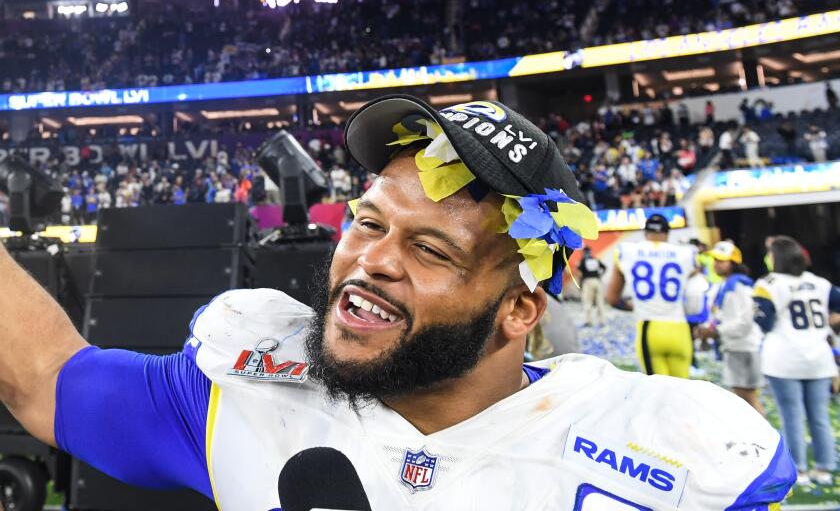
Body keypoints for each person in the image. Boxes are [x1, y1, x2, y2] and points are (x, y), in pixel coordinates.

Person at [0, 96, 794, 510]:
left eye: (430, 248)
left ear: (521, 309)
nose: (370, 261)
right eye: (369, 222)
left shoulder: (663, 455)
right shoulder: (237, 392)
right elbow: (44, 376)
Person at [754, 236, 838, 487]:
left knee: (791, 416)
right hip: (819, 359)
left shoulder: (768, 283)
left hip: (784, 359)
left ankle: (798, 470)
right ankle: (824, 468)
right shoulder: (820, 283)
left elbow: (764, 322)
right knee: (819, 416)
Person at [605, 215, 701, 379]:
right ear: (667, 233)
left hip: (650, 328)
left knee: (659, 396)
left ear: (645, 233)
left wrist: (635, 306)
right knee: (683, 394)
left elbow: (612, 298)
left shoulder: (627, 251)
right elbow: (695, 286)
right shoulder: (686, 253)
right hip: (680, 330)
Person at [697, 242, 764, 415]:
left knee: (747, 398)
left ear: (733, 262)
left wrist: (716, 331)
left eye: (721, 260)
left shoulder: (739, 286)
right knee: (744, 397)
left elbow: (745, 321)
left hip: (743, 346)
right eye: (715, 259)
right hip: (735, 345)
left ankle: (764, 437)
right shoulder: (726, 285)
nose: (716, 263)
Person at [576, 246, 607, 327]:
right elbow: (604, 267)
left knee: (587, 302)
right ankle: (602, 321)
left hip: (588, 282)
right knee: (600, 302)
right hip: (597, 281)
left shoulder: (583, 260)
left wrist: (580, 284)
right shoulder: (595, 259)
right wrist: (600, 275)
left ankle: (588, 321)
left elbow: (579, 273)